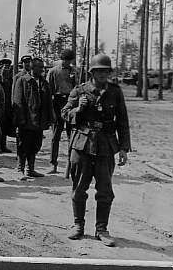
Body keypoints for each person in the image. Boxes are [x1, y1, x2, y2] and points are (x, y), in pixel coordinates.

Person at [61, 54, 131, 247]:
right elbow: (65, 113)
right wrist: (78, 110)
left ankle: (101, 229)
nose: (102, 74)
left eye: (106, 71)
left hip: (106, 146)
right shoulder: (79, 90)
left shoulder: (115, 92)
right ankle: (78, 225)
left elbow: (122, 121)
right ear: (92, 72)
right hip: (82, 144)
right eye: (99, 71)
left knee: (105, 190)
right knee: (79, 188)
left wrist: (124, 148)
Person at [13, 57, 53, 180]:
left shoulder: (44, 82)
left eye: (42, 67)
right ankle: (20, 169)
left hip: (39, 121)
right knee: (23, 145)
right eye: (39, 67)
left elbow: (48, 102)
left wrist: (49, 118)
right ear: (32, 67)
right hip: (26, 120)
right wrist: (21, 119)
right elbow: (18, 101)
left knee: (36, 145)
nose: (41, 70)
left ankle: (30, 169)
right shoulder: (23, 80)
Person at [47, 48, 77, 174]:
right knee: (55, 136)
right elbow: (49, 91)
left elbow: (79, 88)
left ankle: (70, 165)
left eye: (69, 61)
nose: (67, 63)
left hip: (71, 102)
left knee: (72, 136)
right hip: (58, 102)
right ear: (61, 59)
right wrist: (51, 110)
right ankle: (53, 164)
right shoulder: (53, 71)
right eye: (65, 60)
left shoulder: (75, 71)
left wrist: (74, 78)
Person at [0, 57, 14, 153]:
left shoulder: (11, 80)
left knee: (5, 127)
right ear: (0, 68)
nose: (5, 69)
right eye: (3, 67)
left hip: (8, 107)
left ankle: (3, 145)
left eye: (7, 67)